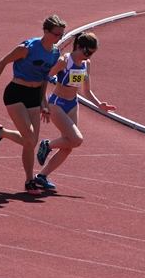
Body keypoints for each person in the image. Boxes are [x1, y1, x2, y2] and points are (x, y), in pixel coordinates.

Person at [0, 15, 66, 195]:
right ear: (46, 31)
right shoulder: (27, 48)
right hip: (16, 93)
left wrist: (43, 101)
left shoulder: (55, 52)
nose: (59, 38)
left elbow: (45, 78)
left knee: (31, 142)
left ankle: (1, 132)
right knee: (30, 138)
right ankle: (29, 181)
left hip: (34, 96)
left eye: (62, 35)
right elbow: (3, 62)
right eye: (56, 34)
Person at [35, 32, 116, 189]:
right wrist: (43, 103)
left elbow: (86, 91)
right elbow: (43, 78)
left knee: (68, 147)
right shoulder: (64, 61)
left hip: (73, 104)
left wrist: (100, 105)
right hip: (57, 104)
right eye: (87, 52)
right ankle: (47, 145)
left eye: (92, 54)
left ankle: (41, 176)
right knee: (77, 140)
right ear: (78, 46)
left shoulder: (87, 65)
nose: (89, 57)